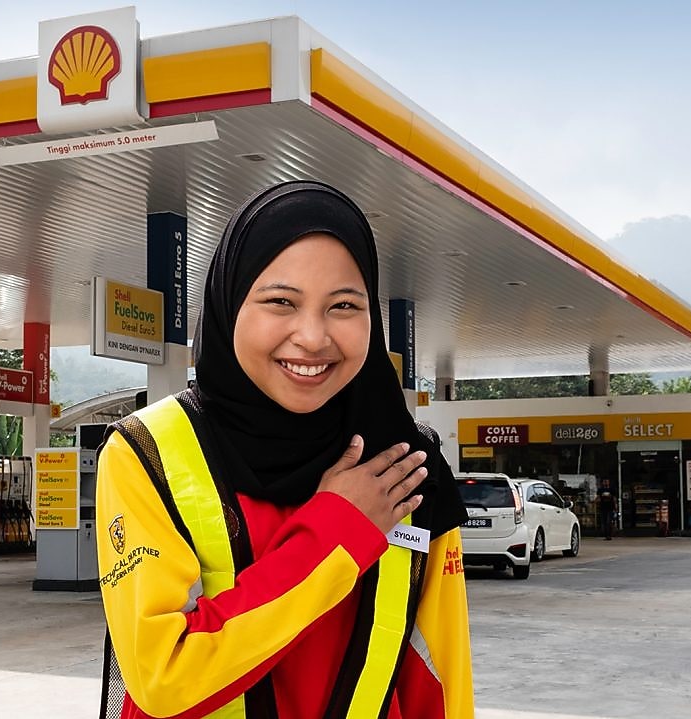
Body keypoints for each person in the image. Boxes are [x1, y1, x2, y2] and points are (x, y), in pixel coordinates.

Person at [96, 180, 473, 719]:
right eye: (280, 302)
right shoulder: (146, 453)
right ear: (229, 305)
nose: (313, 337)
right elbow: (164, 676)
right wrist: (336, 532)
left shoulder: (405, 463)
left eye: (344, 305)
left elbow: (439, 677)